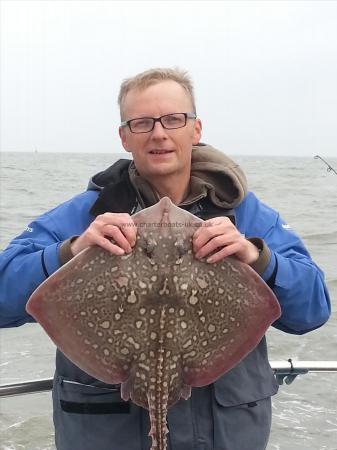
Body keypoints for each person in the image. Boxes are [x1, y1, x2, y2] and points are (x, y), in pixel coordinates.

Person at [0, 67, 330, 450]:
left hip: (225, 435)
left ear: (196, 129)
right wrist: (68, 252)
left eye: (174, 119)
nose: (159, 133)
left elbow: (313, 311)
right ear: (124, 137)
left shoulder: (248, 216)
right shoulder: (85, 216)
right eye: (142, 123)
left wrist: (259, 259)